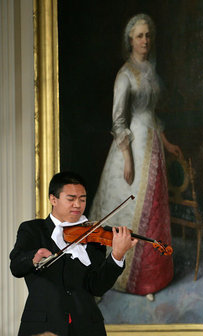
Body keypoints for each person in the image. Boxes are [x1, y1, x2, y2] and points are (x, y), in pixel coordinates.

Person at [89, 13, 179, 298]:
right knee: (130, 210)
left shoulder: (151, 71)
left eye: (148, 35)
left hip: (153, 145)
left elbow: (152, 113)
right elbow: (118, 120)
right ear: (130, 40)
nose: (145, 40)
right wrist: (127, 157)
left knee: (154, 210)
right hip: (134, 149)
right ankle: (126, 278)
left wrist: (166, 142)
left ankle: (152, 279)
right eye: (139, 36)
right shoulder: (125, 74)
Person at [9, 171, 137, 336]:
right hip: (43, 326)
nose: (78, 204)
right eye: (71, 199)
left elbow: (97, 287)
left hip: (87, 327)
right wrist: (33, 258)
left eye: (82, 199)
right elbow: (16, 267)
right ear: (53, 199)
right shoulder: (33, 229)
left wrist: (117, 256)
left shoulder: (93, 234)